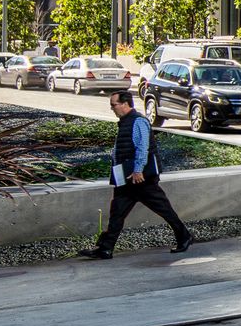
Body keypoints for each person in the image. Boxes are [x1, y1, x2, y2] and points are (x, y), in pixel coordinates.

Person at [80, 90, 192, 259]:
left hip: (140, 178)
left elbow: (142, 147)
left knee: (164, 209)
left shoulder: (138, 121)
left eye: (113, 105)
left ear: (125, 104)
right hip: (126, 177)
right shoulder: (126, 122)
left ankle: (184, 236)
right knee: (117, 213)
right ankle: (105, 249)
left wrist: (138, 170)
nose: (112, 108)